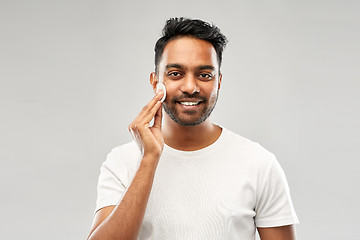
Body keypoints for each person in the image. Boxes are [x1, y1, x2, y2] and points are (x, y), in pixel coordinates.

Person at [88, 17, 299, 240]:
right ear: (155, 82)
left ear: (218, 81)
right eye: (175, 73)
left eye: (204, 75)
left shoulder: (259, 164)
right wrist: (149, 159)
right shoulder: (122, 162)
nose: (190, 87)